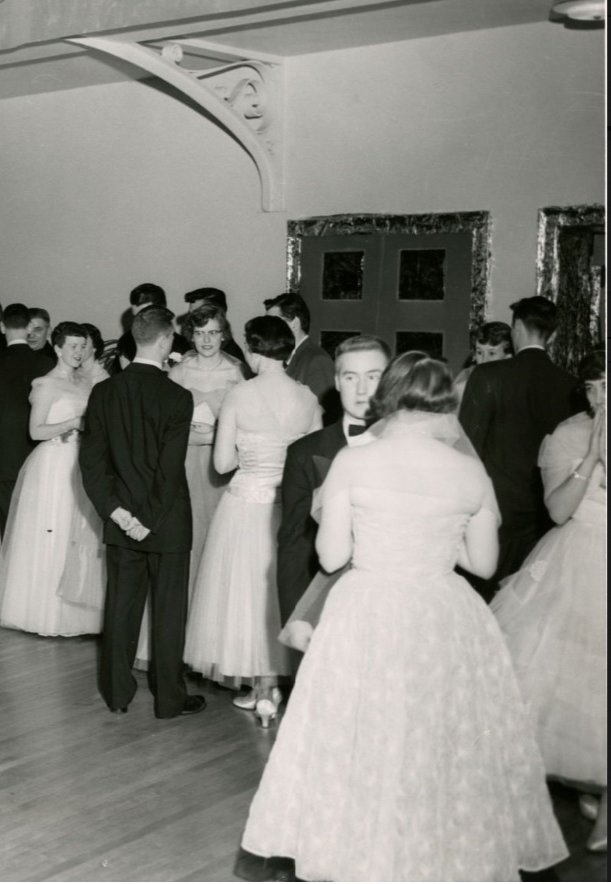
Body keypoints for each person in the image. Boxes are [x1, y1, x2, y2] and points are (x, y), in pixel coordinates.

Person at [239, 352, 567, 882]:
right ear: (445, 403)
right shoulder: (469, 470)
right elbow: (483, 563)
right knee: (436, 740)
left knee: (361, 733)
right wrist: (433, 536)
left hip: (369, 606)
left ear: (389, 395)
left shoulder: (356, 462)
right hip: (443, 612)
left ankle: (360, 853)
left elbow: (330, 557)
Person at [492, 349, 607, 853]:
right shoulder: (566, 434)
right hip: (575, 555)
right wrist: (593, 456)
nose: (598, 398)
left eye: (606, 386)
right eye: (591, 387)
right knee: (567, 678)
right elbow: (559, 511)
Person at [183, 315, 321, 723]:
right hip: (289, 506)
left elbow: (222, 463)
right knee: (281, 588)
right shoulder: (307, 397)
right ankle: (276, 683)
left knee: (246, 593)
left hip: (246, 503)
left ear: (251, 348)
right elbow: (315, 463)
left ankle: (261, 687)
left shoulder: (239, 395)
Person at [79, 305, 206, 719]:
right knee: (169, 614)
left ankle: (117, 695)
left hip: (121, 520)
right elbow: (168, 471)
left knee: (121, 609)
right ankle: (169, 700)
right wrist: (146, 521)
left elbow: (91, 465)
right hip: (166, 522)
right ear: (166, 340)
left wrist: (119, 515)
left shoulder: (104, 392)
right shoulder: (178, 397)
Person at [134, 304, 244, 669]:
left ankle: (211, 648)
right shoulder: (179, 372)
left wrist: (215, 437)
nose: (207, 340)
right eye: (199, 333)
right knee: (185, 547)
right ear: (190, 336)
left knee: (215, 549)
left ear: (224, 335)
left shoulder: (236, 373)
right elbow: (163, 428)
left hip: (220, 471)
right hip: (182, 467)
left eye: (213, 332)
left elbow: (245, 426)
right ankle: (175, 645)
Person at [274, 334, 391, 658]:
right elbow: (294, 547)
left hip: (398, 610)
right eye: (351, 377)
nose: (362, 389)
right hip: (331, 609)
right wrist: (296, 620)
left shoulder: (415, 449)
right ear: (337, 381)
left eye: (373, 377)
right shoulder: (304, 453)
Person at [0, 321, 105, 636]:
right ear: (58, 348)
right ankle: (45, 613)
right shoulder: (46, 384)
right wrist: (73, 422)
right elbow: (35, 431)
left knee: (79, 534)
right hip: (55, 463)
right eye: (72, 346)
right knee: (55, 532)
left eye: (82, 346)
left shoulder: (86, 382)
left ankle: (78, 614)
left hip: (82, 461)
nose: (78, 352)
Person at [459, 296, 580, 586]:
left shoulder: (487, 374)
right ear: (553, 335)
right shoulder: (570, 384)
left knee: (482, 592)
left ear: (517, 328)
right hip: (545, 515)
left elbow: (467, 446)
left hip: (494, 508)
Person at [0, 303, 56, 534]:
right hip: (38, 455)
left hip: (2, 458)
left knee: (9, 525)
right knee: (36, 523)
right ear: (29, 327)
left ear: (2, 327)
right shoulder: (47, 364)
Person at [264, 291, 336, 418]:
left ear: (295, 324)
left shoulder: (317, 360)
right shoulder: (284, 359)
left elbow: (324, 416)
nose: (267, 331)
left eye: (273, 324)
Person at [115, 283, 190, 370]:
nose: (139, 321)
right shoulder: (126, 342)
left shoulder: (182, 345)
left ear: (161, 311)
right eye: (136, 317)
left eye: (145, 315)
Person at [182, 288, 250, 373]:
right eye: (190, 313)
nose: (191, 318)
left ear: (217, 313)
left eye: (198, 313)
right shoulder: (194, 347)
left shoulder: (232, 359)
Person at [454, 320, 513, 403]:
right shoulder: (467, 377)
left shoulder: (517, 383)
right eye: (479, 352)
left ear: (508, 357)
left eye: (492, 353)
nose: (484, 360)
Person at [76, 323, 111, 388]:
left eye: (83, 345)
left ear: (94, 347)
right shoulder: (73, 371)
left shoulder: (100, 377)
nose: (78, 349)